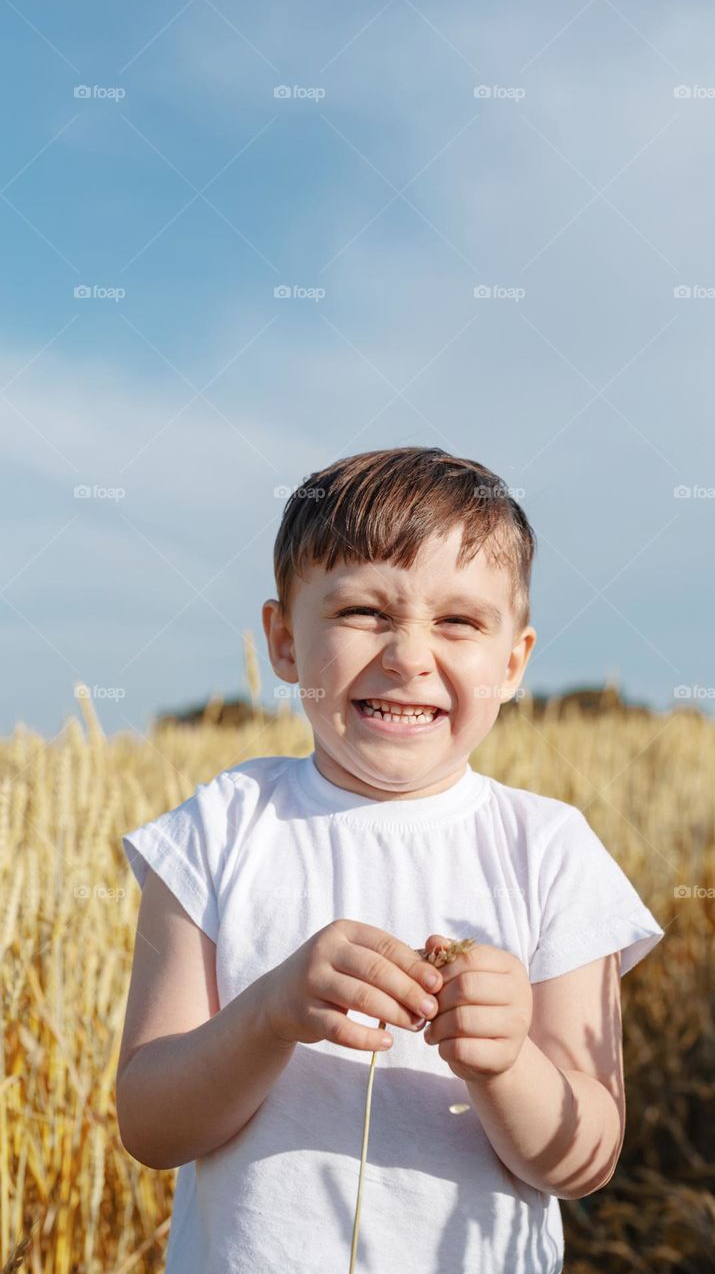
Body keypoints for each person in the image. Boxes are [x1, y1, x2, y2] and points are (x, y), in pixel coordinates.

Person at [116, 445, 665, 1273]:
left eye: (458, 622)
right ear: (284, 641)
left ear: (513, 662)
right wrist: (269, 1014)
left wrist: (509, 1061)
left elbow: (584, 1162)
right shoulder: (217, 829)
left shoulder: (550, 852)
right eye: (364, 612)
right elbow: (150, 1126)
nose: (409, 656)